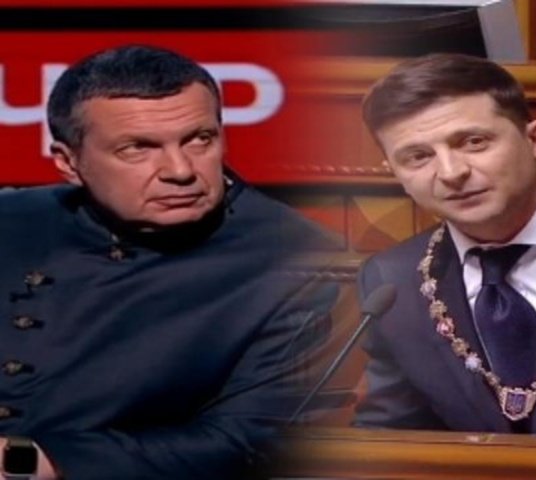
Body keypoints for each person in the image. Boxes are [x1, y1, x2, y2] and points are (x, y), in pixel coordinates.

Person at [0, 45, 337, 479]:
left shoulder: (302, 262)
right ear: (69, 161)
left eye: (200, 139)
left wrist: (36, 463)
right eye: (137, 148)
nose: (180, 170)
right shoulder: (11, 217)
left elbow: (252, 442)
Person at [353, 53, 536, 436]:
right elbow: (388, 441)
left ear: (535, 139)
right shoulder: (393, 281)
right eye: (418, 157)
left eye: (474, 142)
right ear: (394, 173)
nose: (451, 173)